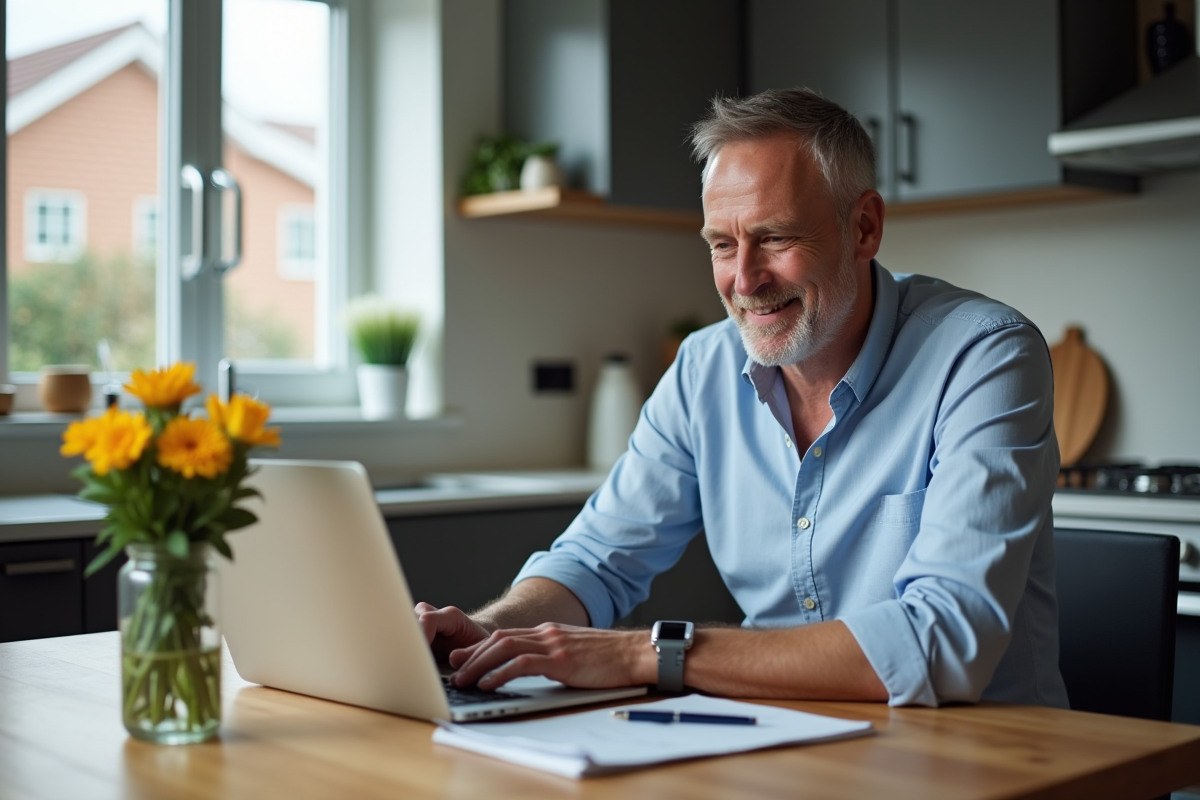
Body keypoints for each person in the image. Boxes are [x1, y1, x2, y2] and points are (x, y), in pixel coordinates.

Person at [416, 88, 1068, 708]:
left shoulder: (984, 355)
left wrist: (647, 654)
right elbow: (595, 561)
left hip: (985, 760)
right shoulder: (704, 367)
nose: (745, 280)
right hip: (784, 743)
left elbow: (945, 642)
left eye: (776, 238)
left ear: (864, 228)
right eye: (722, 246)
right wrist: (489, 632)